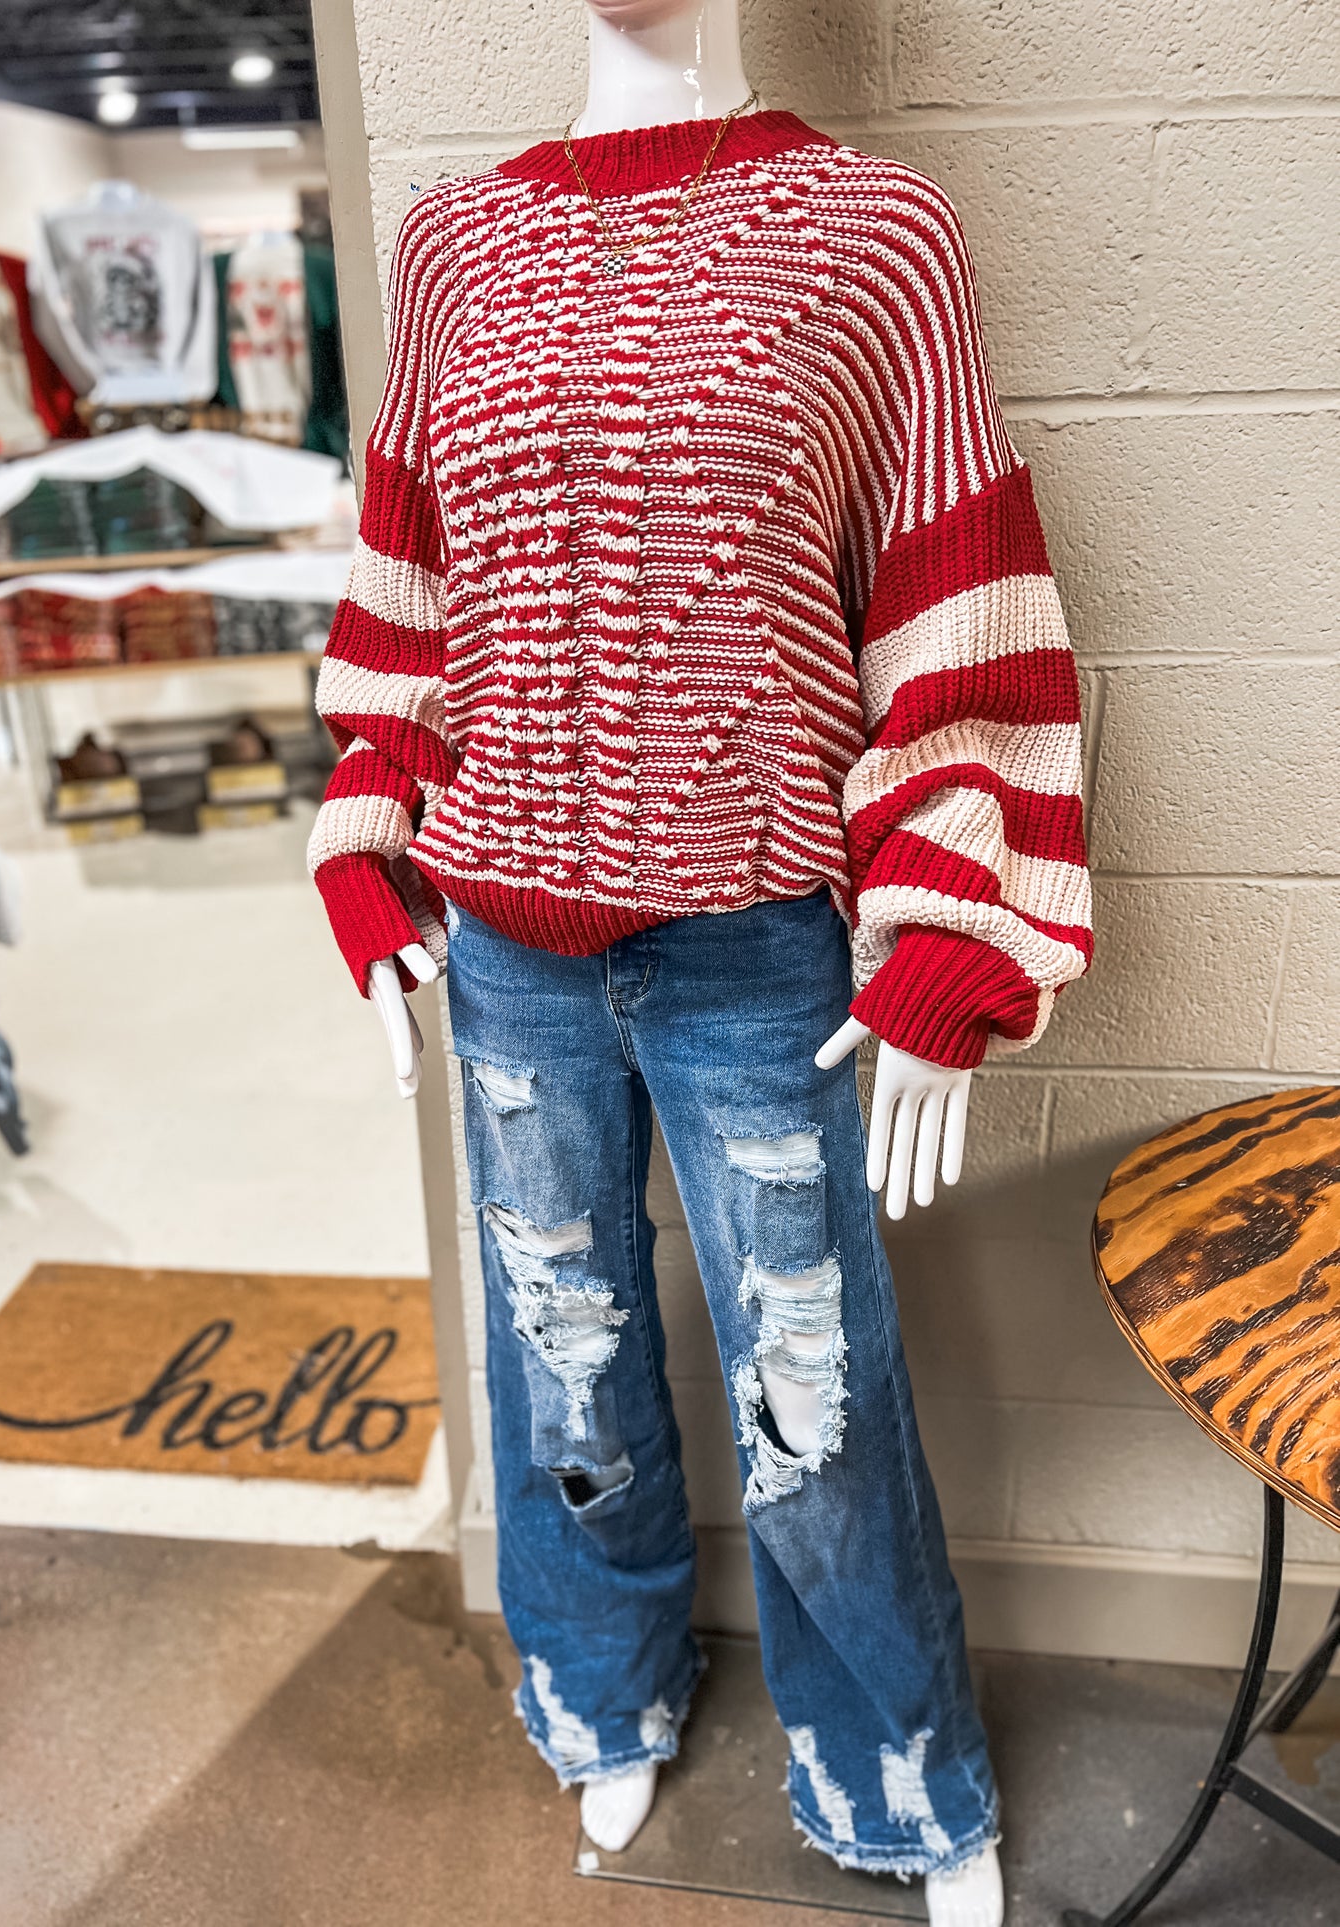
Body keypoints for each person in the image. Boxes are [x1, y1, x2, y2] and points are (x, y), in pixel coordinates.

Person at [309, 6, 1092, 1921]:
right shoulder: (451, 246)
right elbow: (408, 574)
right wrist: (367, 839)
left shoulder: (874, 235)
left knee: (812, 1403)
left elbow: (953, 605)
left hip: (757, 951)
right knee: (560, 1360)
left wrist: (945, 936)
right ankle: (603, 1695)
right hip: (502, 947)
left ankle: (902, 1777)